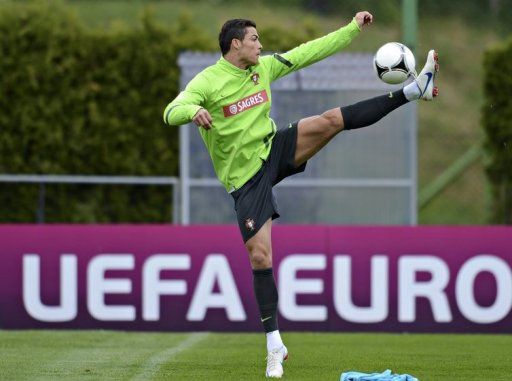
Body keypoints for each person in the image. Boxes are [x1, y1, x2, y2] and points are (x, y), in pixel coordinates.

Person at [163, 11, 438, 378]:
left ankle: (411, 90)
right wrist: (193, 109)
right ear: (236, 45)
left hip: (273, 148)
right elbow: (171, 110)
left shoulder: (264, 67)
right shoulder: (208, 81)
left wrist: (352, 28)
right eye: (254, 40)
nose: (260, 45)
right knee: (260, 256)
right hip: (246, 179)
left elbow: (311, 51)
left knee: (330, 121)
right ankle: (274, 345)